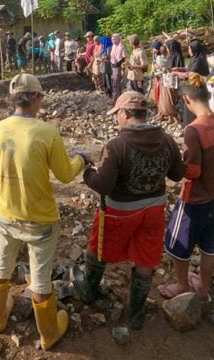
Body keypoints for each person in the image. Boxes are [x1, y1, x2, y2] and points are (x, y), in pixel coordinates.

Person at [0, 74, 86, 350]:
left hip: (7, 213)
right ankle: (48, 334)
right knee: (40, 278)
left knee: (1, 266)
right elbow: (66, 175)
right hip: (40, 220)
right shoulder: (46, 132)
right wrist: (82, 159)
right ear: (36, 98)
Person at [74, 91, 183, 332]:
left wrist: (88, 172)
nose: (117, 120)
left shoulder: (117, 145)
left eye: (117, 115)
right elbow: (177, 174)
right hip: (154, 208)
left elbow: (103, 186)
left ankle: (88, 291)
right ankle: (135, 314)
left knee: (98, 248)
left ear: (125, 113)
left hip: (119, 211)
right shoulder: (167, 140)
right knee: (146, 257)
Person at [159, 74, 214, 301]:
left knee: (177, 243)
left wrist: (174, 164)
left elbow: (193, 171)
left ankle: (182, 285)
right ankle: (203, 286)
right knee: (209, 246)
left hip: (195, 198)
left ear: (187, 100)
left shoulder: (194, 130)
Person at [158, 39, 183, 124]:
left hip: (173, 82)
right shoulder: (170, 56)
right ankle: (170, 118)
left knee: (171, 100)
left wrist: (170, 70)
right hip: (167, 81)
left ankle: (176, 118)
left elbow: (179, 68)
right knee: (166, 100)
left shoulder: (178, 56)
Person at [109, 33, 126, 100]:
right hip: (113, 66)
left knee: (116, 83)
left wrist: (123, 70)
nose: (112, 40)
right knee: (114, 82)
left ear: (118, 39)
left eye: (114, 39)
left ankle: (116, 98)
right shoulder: (113, 46)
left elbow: (123, 59)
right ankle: (118, 97)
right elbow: (112, 57)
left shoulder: (121, 47)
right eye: (112, 39)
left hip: (118, 66)